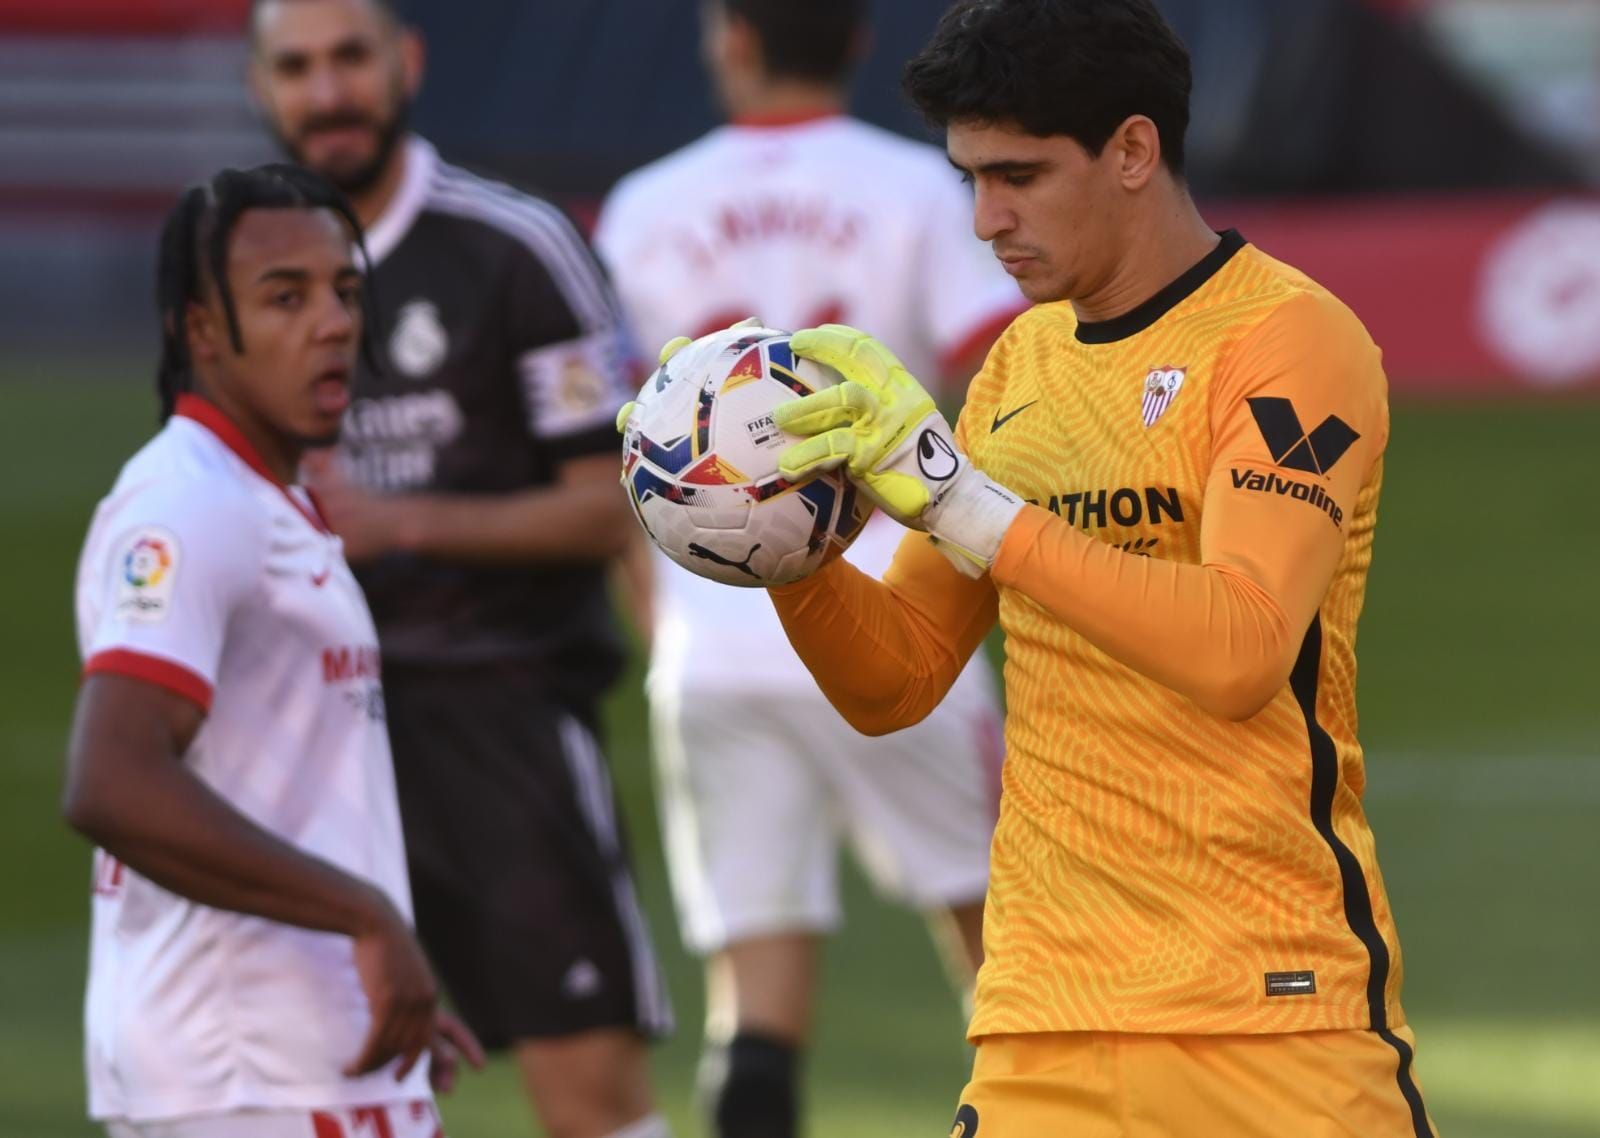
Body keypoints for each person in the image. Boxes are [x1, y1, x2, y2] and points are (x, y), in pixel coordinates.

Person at [749, 1, 1441, 1134]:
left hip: (1271, 1017)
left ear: (1131, 150)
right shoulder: (1021, 361)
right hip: (1041, 1021)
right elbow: (899, 678)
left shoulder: (1287, 342)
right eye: (968, 177)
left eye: (1016, 175)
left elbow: (1238, 649)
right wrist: (777, 547)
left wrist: (969, 505)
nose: (984, 219)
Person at [595, 3, 1023, 1136]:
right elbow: (999, 397)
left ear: (730, 38)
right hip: (899, 621)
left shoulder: (644, 206)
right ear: (856, 40)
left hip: (716, 635)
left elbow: (621, 450)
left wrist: (666, 623)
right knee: (1014, 969)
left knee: (753, 1003)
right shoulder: (921, 189)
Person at [247, 4, 672, 1138]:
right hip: (314, 745)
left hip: (504, 719)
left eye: (350, 57)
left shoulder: (513, 245)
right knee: (327, 1103)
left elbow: (608, 505)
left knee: (592, 1101)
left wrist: (401, 521)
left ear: (407, 63)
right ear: (261, 84)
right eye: (297, 67)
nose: (327, 90)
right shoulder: (241, 265)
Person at [64, 164, 484, 1138]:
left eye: (343, 290)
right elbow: (111, 778)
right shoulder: (190, 502)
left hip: (298, 1060)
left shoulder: (262, 497)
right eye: (284, 296)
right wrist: (366, 919)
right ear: (201, 330)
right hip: (247, 1074)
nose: (333, 322)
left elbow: (283, 782)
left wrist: (374, 969)